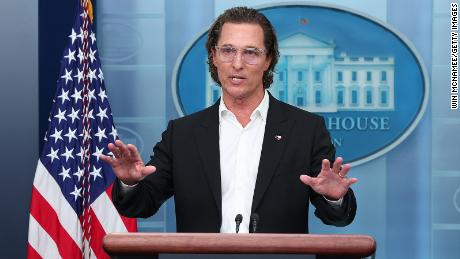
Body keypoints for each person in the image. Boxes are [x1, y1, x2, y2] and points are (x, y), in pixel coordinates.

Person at [100, 6, 357, 234]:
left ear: (268, 60)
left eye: (251, 53)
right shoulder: (183, 134)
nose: (237, 64)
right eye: (228, 51)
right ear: (213, 56)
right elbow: (140, 205)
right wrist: (130, 183)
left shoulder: (306, 130)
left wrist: (334, 199)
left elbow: (337, 218)